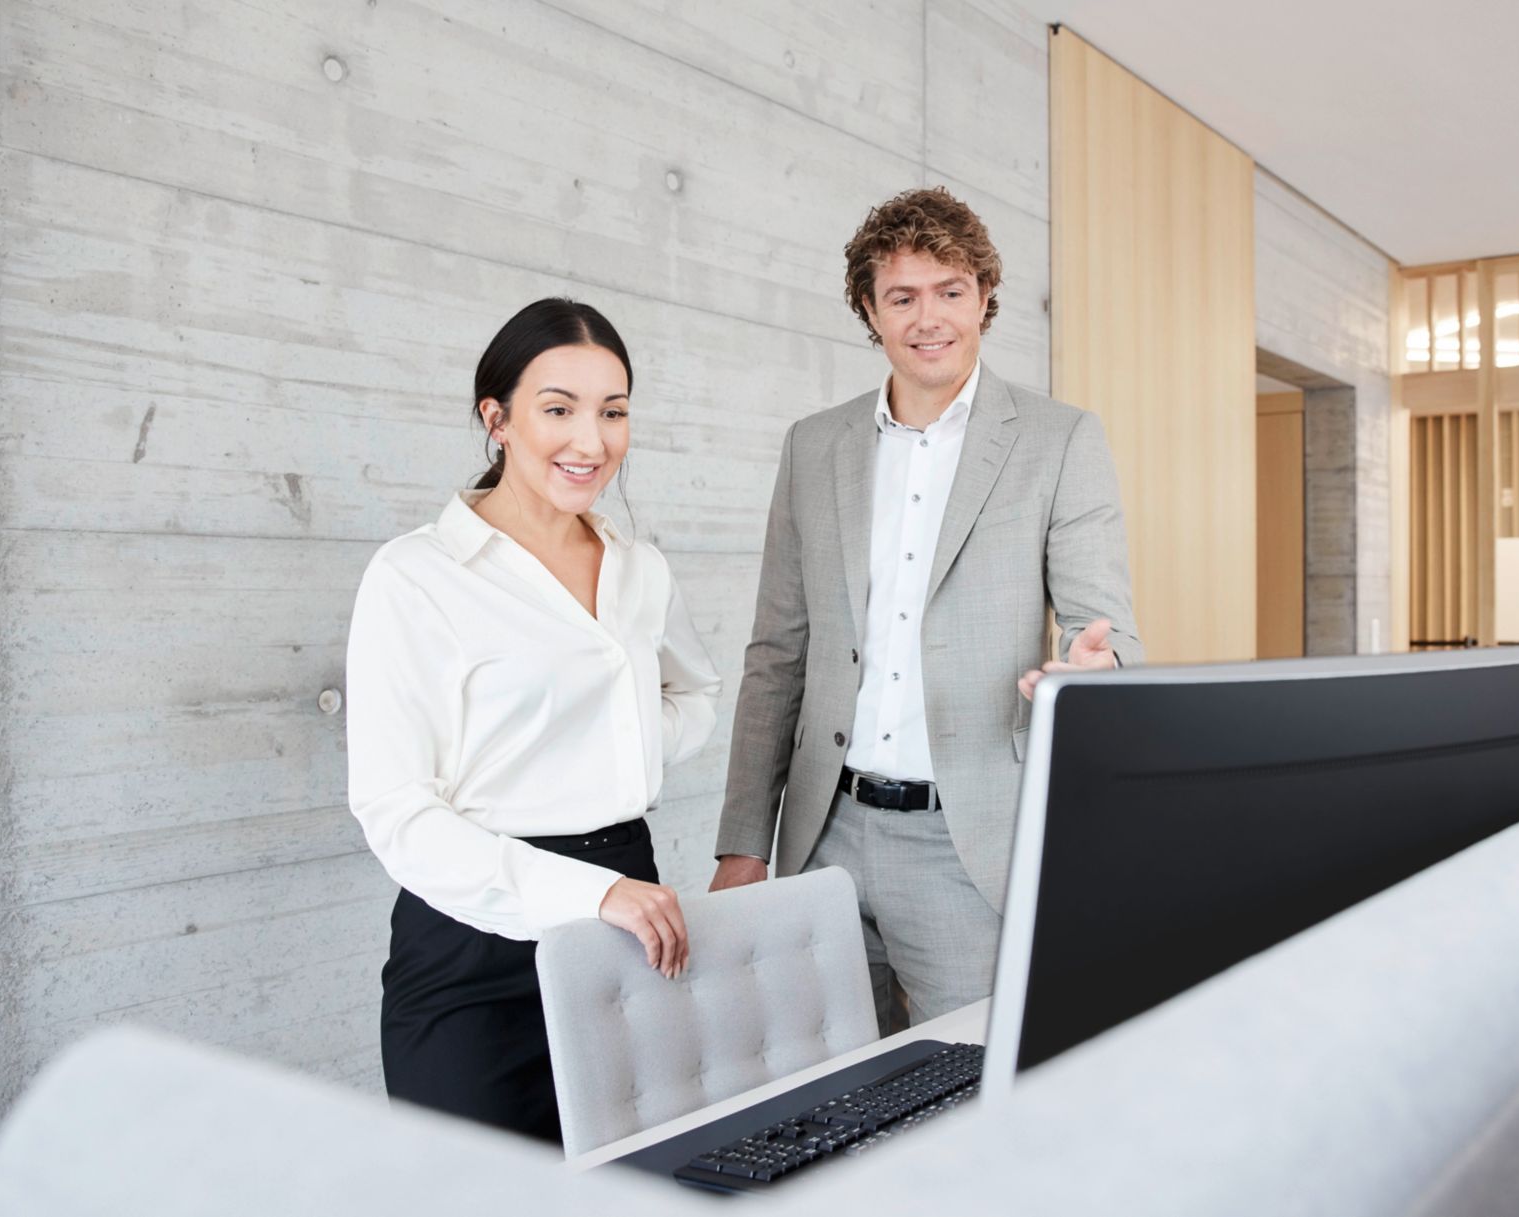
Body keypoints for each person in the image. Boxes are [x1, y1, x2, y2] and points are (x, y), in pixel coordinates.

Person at [710, 187, 1141, 1031]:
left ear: (984, 295)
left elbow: (1109, 630)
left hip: (967, 844)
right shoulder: (813, 445)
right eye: (901, 296)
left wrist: (1095, 673)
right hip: (820, 836)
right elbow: (777, 653)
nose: (928, 316)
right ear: (870, 310)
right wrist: (741, 842)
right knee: (822, 1097)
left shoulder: (1060, 441)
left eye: (949, 289)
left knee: (968, 1094)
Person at [345, 297, 720, 1143]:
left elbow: (694, 692)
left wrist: (615, 754)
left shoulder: (639, 569)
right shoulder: (416, 576)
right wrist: (595, 893)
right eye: (558, 408)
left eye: (613, 411)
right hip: (473, 944)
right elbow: (396, 811)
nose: (591, 441)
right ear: (497, 418)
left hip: (634, 919)